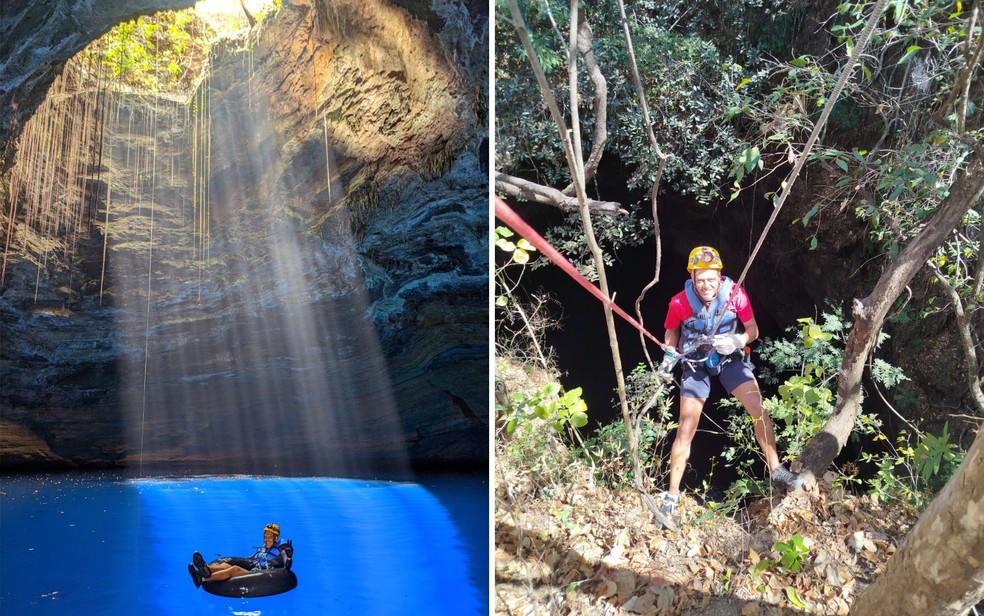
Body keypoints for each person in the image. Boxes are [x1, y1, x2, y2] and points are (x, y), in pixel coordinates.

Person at [656, 246, 801, 523]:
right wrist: (669, 354)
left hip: (728, 359)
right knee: (686, 426)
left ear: (720, 276)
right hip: (696, 363)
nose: (706, 285)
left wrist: (737, 341)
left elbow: (753, 330)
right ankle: (671, 496)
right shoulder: (679, 303)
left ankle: (777, 470)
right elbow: (671, 330)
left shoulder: (735, 295)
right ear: (692, 277)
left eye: (711, 279)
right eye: (700, 280)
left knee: (758, 408)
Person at [187, 523, 291, 588]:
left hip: (263, 574)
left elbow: (287, 566)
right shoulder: (263, 548)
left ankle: (203, 579)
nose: (266, 539)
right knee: (227, 566)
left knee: (235, 569)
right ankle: (205, 569)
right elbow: (249, 559)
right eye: (265, 536)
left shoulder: (281, 549)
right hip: (253, 569)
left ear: (276, 538)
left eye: (269, 537)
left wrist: (289, 556)